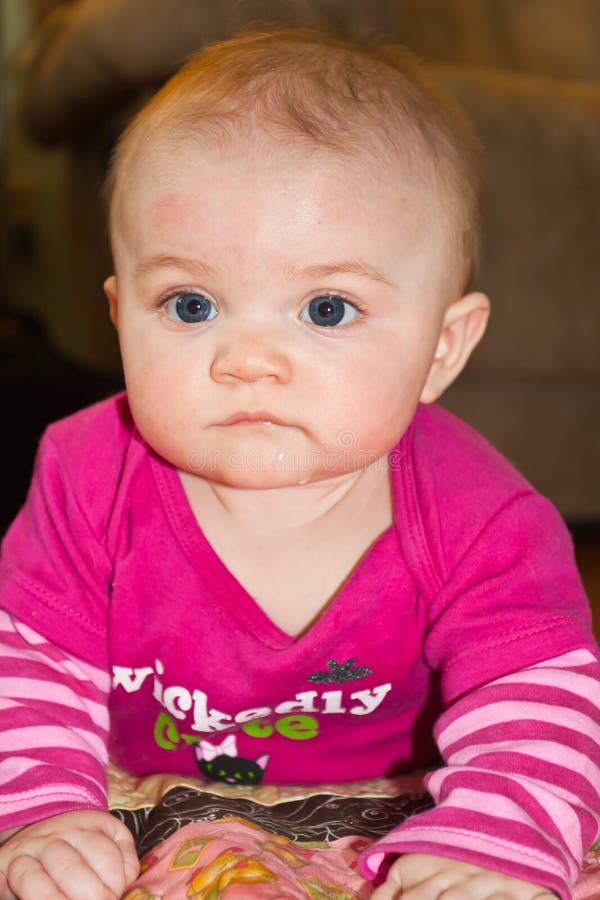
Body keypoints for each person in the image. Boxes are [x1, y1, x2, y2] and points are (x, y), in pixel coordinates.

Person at [0, 28, 598, 900]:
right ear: (121, 314)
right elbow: (32, 661)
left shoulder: (484, 520)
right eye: (190, 303)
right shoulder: (86, 471)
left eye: (325, 307)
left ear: (442, 348)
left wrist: (495, 844)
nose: (248, 359)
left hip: (401, 810)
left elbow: (539, 695)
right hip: (138, 801)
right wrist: (41, 810)